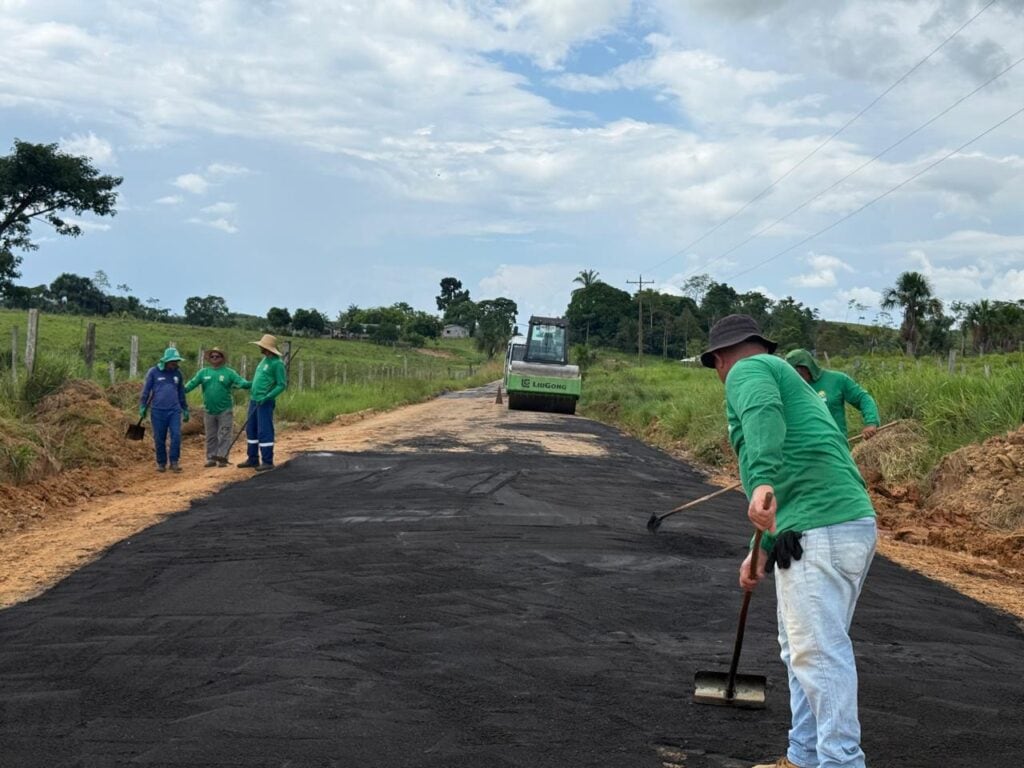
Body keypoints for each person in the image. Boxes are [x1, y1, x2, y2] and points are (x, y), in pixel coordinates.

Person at [701, 315, 877, 768]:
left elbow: (763, 414)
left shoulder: (747, 370)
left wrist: (759, 478)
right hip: (828, 525)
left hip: (823, 527)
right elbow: (792, 474)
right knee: (802, 650)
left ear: (719, 359)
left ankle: (840, 762)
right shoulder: (785, 377)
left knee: (818, 654)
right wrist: (758, 550)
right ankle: (802, 757)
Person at [784, 349, 880, 441]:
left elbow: (863, 398)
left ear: (808, 367)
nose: (796, 376)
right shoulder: (788, 389)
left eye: (798, 371)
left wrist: (871, 422)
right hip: (804, 448)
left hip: (835, 446)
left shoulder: (836, 380)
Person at [184, 347, 251, 468]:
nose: (214, 358)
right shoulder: (203, 372)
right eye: (212, 356)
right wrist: (180, 389)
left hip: (225, 410)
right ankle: (211, 458)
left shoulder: (229, 373)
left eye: (217, 356)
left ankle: (222, 458)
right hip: (209, 410)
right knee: (211, 436)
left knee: (224, 434)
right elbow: (191, 384)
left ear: (222, 358)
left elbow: (241, 382)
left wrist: (252, 384)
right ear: (209, 359)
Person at [237, 334, 288, 472]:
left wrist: (268, 396)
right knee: (251, 429)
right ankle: (252, 458)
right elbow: (260, 379)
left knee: (264, 430)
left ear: (267, 348)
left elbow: (281, 385)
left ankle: (267, 461)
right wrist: (247, 385)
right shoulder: (264, 360)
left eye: (261, 346)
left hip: (265, 402)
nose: (259, 347)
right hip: (254, 399)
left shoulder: (277, 364)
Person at [139, 347, 190, 473]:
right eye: (173, 361)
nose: (175, 364)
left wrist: (185, 408)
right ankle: (161, 463)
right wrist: (143, 406)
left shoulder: (178, 374)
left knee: (176, 435)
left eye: (177, 361)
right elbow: (146, 390)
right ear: (166, 361)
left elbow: (181, 392)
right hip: (157, 411)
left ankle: (174, 461)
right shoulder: (154, 372)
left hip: (174, 410)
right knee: (159, 438)